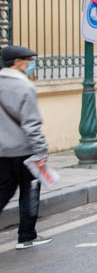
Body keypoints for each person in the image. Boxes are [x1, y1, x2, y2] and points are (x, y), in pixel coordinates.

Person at [0, 45, 53, 249]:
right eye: (28, 61)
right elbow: (31, 124)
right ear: (17, 63)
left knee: (3, 192)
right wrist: (41, 151)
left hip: (2, 151)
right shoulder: (25, 87)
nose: (30, 65)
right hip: (24, 150)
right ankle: (27, 235)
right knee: (30, 191)